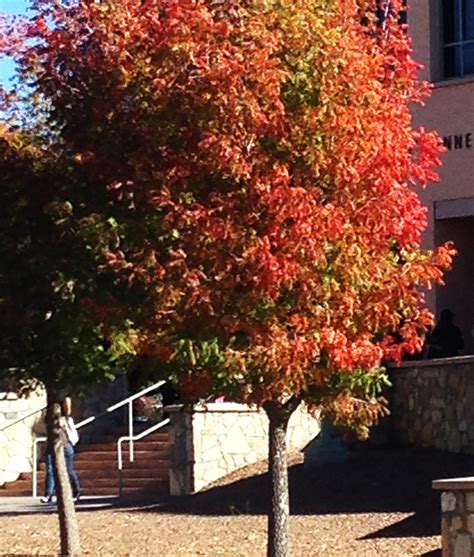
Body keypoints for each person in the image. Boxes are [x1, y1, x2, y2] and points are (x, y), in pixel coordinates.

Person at [41, 396, 81, 504]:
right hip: (51, 446)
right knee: (50, 470)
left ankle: (76, 491)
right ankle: (48, 494)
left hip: (65, 445)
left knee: (69, 470)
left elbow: (68, 407)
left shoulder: (67, 419)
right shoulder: (49, 419)